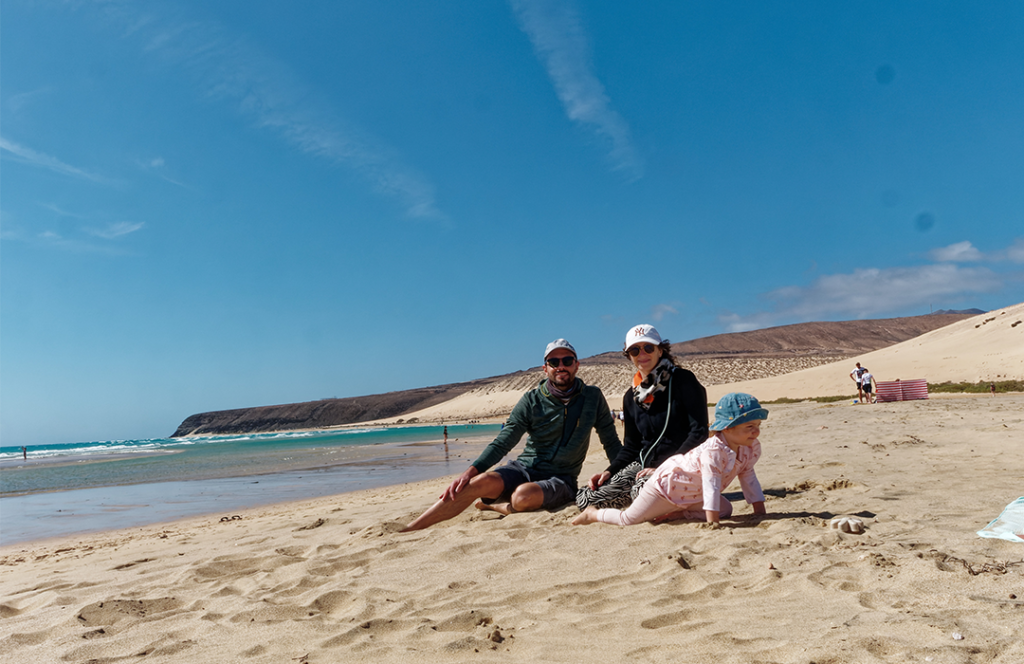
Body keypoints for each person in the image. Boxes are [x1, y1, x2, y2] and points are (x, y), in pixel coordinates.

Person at [401, 339, 621, 531]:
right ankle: (413, 528)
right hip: (523, 469)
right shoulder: (532, 400)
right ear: (545, 369)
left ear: (577, 365)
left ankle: (494, 506)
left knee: (522, 497)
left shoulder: (592, 397)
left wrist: (621, 473)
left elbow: (610, 441)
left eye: (567, 360)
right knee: (479, 481)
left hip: (561, 478)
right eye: (554, 362)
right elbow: (504, 441)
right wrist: (469, 472)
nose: (561, 366)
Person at [572, 392, 767, 527]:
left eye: (758, 425)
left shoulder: (750, 448)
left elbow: (748, 476)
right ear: (727, 428)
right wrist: (713, 523)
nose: (756, 431)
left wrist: (759, 511)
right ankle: (593, 514)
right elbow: (711, 485)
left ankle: (677, 514)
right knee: (628, 519)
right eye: (749, 426)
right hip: (666, 487)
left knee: (726, 509)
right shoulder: (714, 452)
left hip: (693, 494)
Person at [576, 324, 708, 511]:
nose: (642, 354)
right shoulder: (631, 397)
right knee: (587, 498)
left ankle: (670, 500)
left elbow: (699, 432)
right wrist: (610, 471)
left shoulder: (683, 380)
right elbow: (632, 446)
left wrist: (667, 466)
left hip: (682, 464)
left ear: (660, 350)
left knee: (641, 491)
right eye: (635, 350)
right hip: (644, 466)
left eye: (648, 348)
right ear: (629, 355)